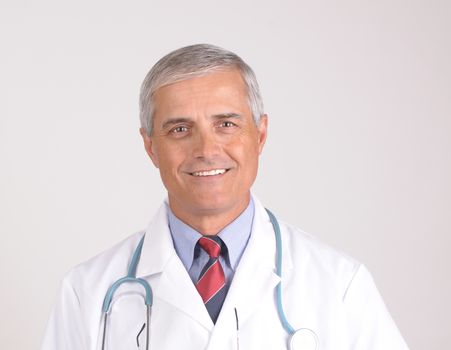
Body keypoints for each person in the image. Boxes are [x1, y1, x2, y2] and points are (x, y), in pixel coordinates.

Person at [41, 44, 409, 350]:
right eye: (180, 129)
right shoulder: (88, 292)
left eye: (226, 124)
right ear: (150, 146)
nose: (206, 148)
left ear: (260, 135)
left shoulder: (340, 285)